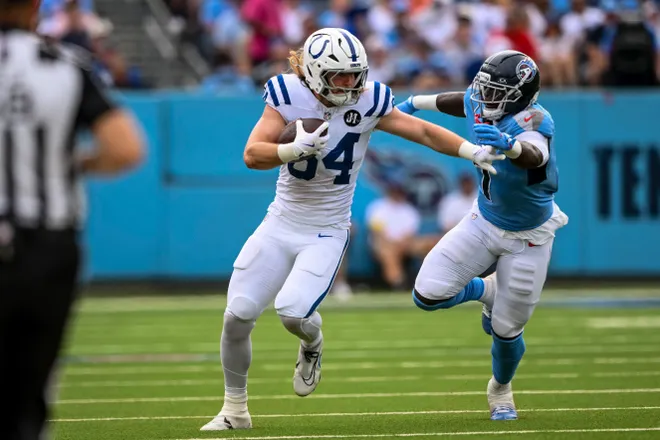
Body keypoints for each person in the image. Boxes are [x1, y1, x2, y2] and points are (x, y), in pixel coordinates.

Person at [200, 27, 504, 431]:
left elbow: (424, 131)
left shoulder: (370, 99)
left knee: (292, 312)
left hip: (327, 229)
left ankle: (312, 342)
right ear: (312, 72)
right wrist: (290, 150)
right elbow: (252, 154)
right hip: (281, 222)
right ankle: (234, 411)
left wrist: (471, 150)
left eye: (355, 74)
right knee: (237, 315)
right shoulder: (287, 94)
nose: (350, 84)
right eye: (339, 76)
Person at [397, 50, 568, 421]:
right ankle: (487, 290)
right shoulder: (482, 98)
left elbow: (536, 156)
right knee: (427, 293)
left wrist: (512, 146)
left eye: (496, 92)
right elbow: (462, 100)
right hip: (483, 219)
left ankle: (501, 390)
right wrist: (415, 102)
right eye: (485, 89)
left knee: (507, 331)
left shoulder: (534, 120)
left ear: (521, 94)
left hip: (530, 234)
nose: (486, 98)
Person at [0, 1, 144, 439]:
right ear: (32, 9)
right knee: (26, 394)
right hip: (44, 245)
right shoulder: (65, 65)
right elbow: (125, 149)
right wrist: (71, 165)